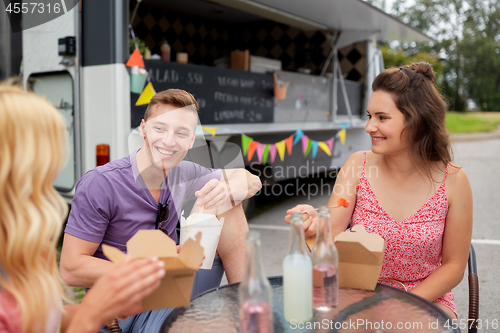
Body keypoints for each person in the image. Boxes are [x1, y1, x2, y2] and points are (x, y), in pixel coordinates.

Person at [60, 89, 262, 332]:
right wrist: (154, 268)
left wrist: (235, 188)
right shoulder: (101, 183)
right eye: (160, 128)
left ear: (191, 140)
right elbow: (70, 269)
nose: (168, 141)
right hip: (122, 310)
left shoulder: (184, 173)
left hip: (170, 286)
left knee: (228, 200)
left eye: (180, 133)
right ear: (143, 129)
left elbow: (251, 179)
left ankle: (249, 312)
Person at [285, 62, 472, 319]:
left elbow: (454, 266)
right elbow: (328, 233)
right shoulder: (357, 166)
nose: (369, 127)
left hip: (425, 298)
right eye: (369, 116)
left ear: (418, 119)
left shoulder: (454, 179)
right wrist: (311, 224)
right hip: (358, 293)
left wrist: (403, 304)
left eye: (382, 118)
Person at [0, 84, 166, 333]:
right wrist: (88, 317)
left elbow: (38, 319)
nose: (53, 177)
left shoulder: (26, 245)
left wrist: (102, 308)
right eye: (42, 171)